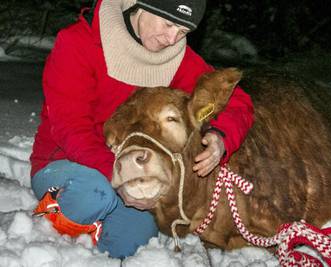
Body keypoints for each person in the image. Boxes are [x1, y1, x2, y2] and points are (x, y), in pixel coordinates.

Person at [30, 0, 254, 259]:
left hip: (134, 172)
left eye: (183, 32)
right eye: (168, 24)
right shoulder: (78, 43)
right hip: (63, 163)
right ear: (140, 6)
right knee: (96, 194)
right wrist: (121, 175)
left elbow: (235, 100)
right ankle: (46, 224)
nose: (172, 39)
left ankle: (90, 235)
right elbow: (70, 129)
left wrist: (219, 137)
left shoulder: (177, 59)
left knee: (134, 242)